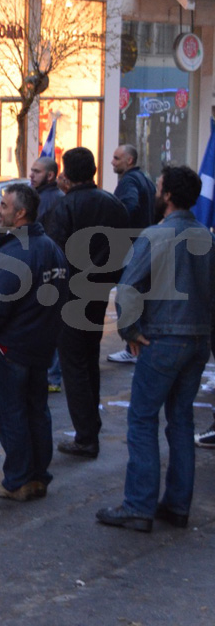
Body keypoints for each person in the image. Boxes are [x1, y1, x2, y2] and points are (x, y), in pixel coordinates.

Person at [97, 165, 215, 532]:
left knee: (144, 419)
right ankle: (176, 505)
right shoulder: (206, 237)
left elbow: (129, 286)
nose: (156, 191)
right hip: (196, 340)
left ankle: (139, 505)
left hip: (165, 338)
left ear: (167, 196)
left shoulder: (157, 235)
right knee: (180, 419)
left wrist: (131, 330)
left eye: (160, 187)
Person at [0, 184, 68, 501]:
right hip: (37, 346)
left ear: (20, 212)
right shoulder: (49, 247)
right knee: (35, 412)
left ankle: (19, 480)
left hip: (11, 348)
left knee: (13, 413)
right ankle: (37, 475)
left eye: (3, 205)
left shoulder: (16, 252)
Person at [44, 147, 129, 459]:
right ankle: (89, 427)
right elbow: (124, 248)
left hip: (72, 294)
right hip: (98, 290)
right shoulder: (112, 204)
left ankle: (86, 436)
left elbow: (54, 253)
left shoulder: (67, 208)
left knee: (75, 364)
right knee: (87, 359)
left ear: (67, 173)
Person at [108, 144, 156, 365]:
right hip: (144, 245)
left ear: (129, 160)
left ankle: (132, 348)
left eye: (117, 158)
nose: (112, 162)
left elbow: (128, 205)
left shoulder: (129, 181)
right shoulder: (145, 179)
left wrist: (116, 232)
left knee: (129, 296)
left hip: (132, 247)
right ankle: (138, 346)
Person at [30, 156, 64, 392]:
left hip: (46, 268)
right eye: (31, 171)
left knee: (48, 322)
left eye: (37, 171)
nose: (31, 175)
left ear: (50, 175)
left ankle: (52, 376)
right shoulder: (52, 198)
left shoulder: (47, 201)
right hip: (53, 266)